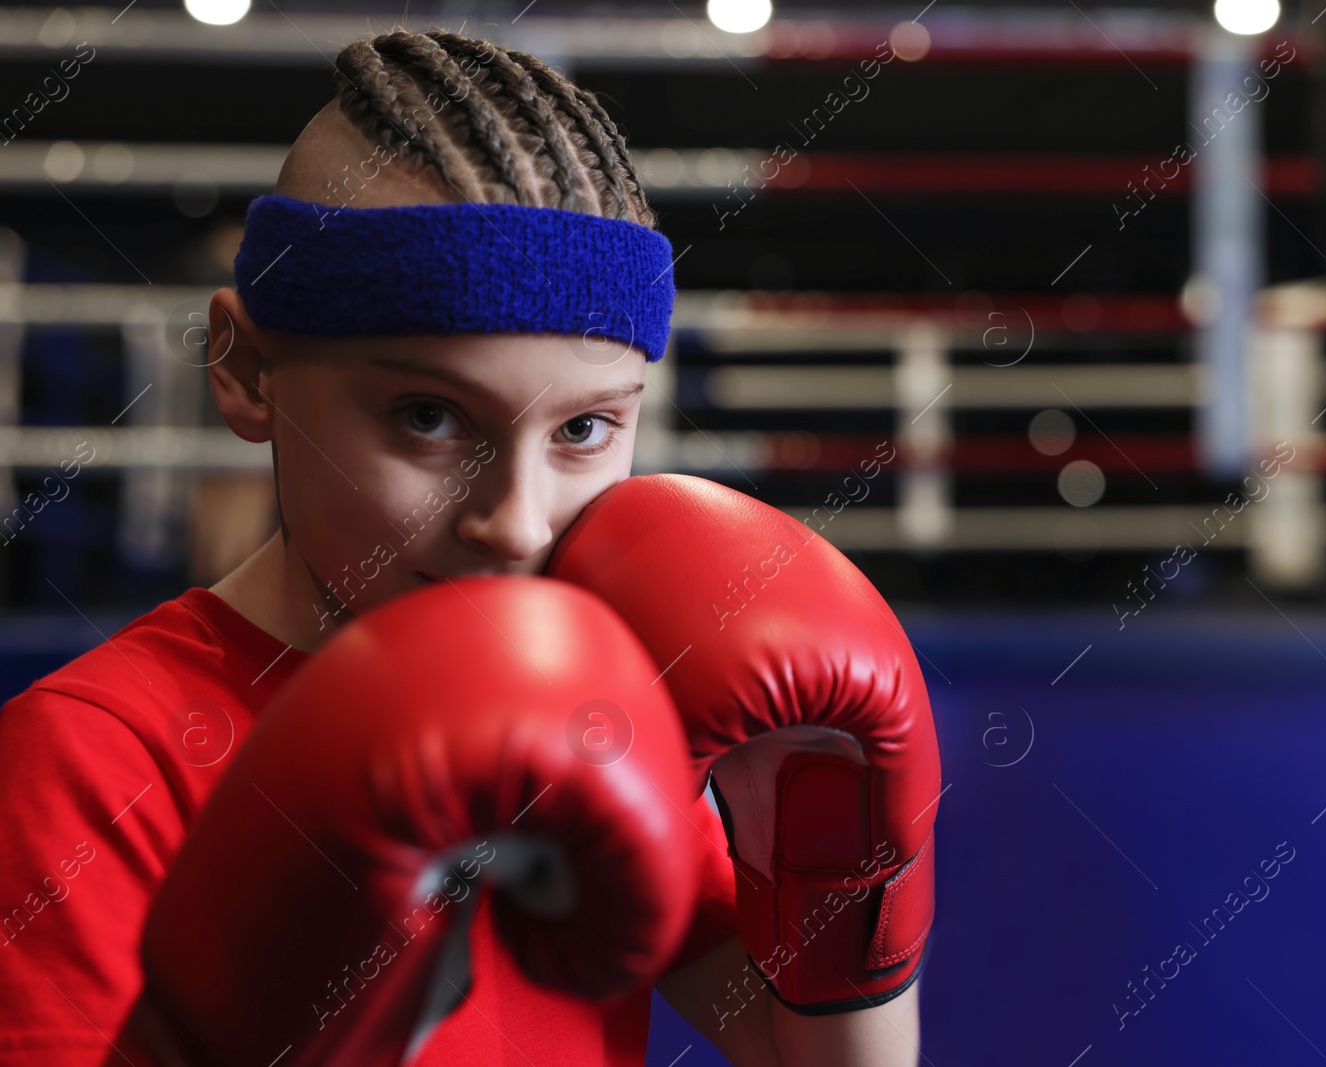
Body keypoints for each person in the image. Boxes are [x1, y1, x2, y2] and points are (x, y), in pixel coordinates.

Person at [0, 26, 920, 1066]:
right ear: (248, 369)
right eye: (428, 416)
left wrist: (831, 846)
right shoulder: (91, 762)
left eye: (583, 429)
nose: (516, 522)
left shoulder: (593, 729)